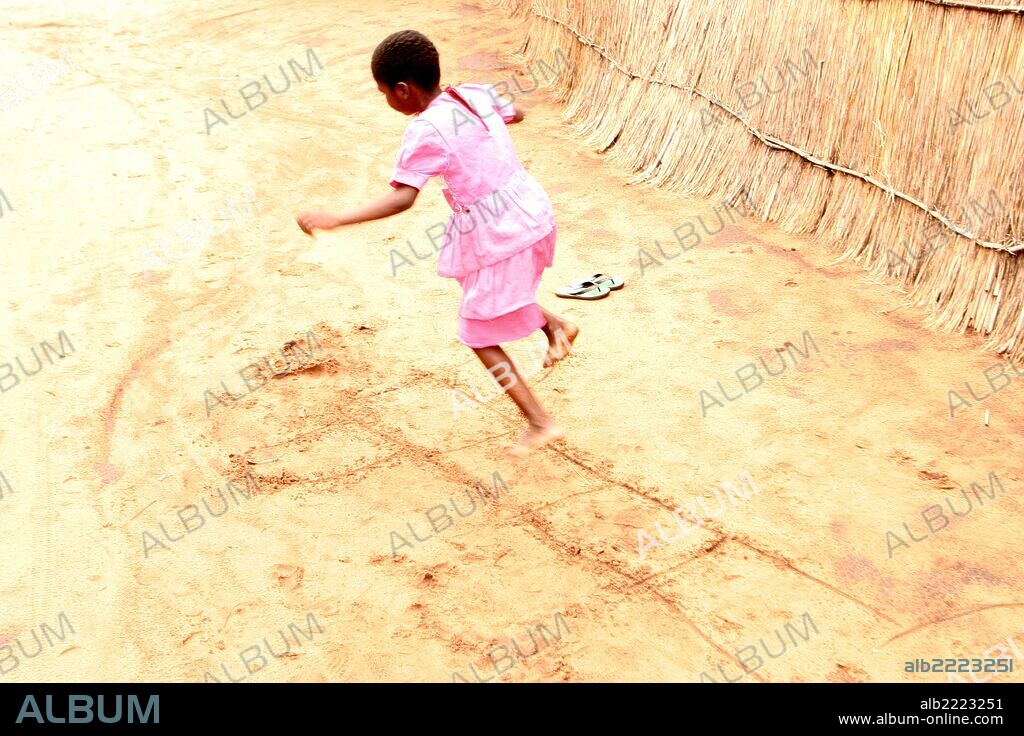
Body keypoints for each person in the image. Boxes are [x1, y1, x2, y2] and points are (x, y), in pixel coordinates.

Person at [296, 30, 576, 457]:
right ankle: (555, 325)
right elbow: (515, 112)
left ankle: (540, 421)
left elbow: (403, 197)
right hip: (532, 211)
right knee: (482, 292)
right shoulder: (474, 94)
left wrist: (337, 219)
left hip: (501, 232)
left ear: (403, 91)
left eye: (384, 92)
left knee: (477, 333)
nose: (386, 100)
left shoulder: (425, 130)